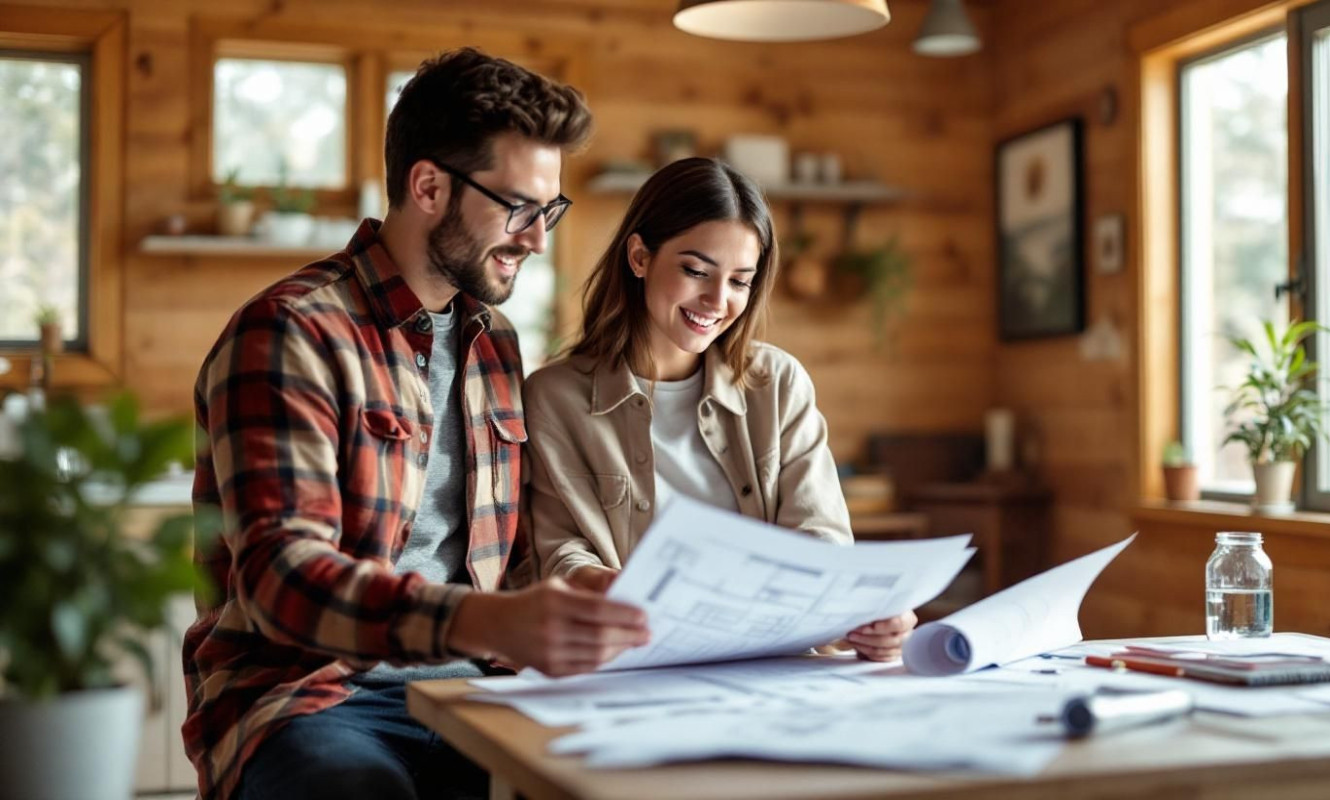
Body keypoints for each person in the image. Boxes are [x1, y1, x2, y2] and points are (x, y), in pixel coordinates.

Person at [182, 48, 649, 800]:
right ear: (428, 186)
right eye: (519, 208)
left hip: (480, 692)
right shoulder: (290, 333)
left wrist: (584, 595)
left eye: (549, 211)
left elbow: (507, 555)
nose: (537, 238)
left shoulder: (493, 341)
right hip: (316, 700)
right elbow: (281, 579)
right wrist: (486, 623)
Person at [523, 157, 916, 662]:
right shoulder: (555, 397)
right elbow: (558, 550)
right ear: (639, 257)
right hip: (630, 667)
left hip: (773, 669)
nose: (717, 300)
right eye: (695, 271)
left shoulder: (778, 383)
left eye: (739, 281)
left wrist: (866, 616)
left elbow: (821, 538)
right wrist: (616, 590)